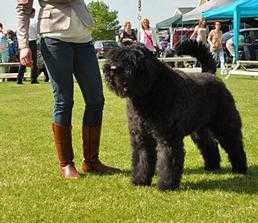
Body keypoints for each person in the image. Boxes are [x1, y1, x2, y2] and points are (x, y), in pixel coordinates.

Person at [16, 0, 120, 179]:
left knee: (96, 99)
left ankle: (91, 161)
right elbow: (23, 10)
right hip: (54, 38)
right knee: (64, 100)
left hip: (84, 39)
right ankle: (66, 164)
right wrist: (23, 45)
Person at [17, 9, 39, 84]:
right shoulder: (35, 22)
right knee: (34, 61)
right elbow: (38, 32)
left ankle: (19, 79)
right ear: (32, 13)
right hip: (32, 42)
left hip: (24, 42)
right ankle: (33, 79)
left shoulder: (23, 21)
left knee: (23, 61)